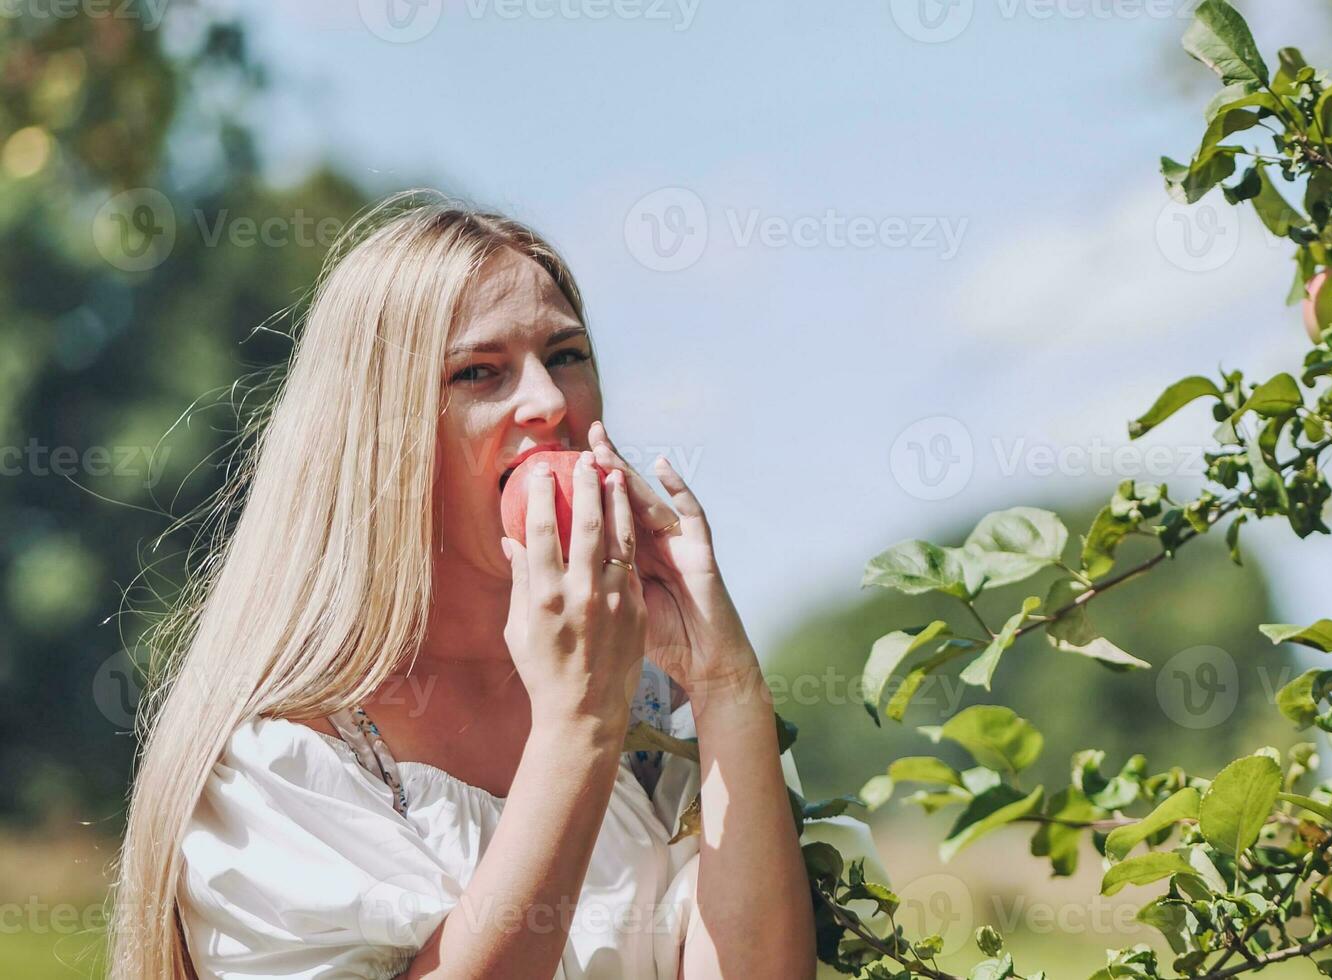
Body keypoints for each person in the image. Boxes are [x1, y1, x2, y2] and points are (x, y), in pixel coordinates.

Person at [107, 193, 884, 979]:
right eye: (480, 372)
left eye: (567, 355)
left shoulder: (659, 713)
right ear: (381, 437)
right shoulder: (282, 761)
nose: (548, 402)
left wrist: (726, 686)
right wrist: (577, 725)